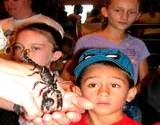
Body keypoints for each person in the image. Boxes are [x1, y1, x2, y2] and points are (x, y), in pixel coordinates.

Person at [0, 22, 94, 125]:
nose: (24, 53)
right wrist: (21, 107)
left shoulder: (63, 85)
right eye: (18, 47)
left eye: (35, 48)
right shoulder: (9, 78)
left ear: (55, 55)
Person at [73, 0, 150, 121]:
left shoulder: (138, 45)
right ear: (105, 11)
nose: (124, 16)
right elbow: (76, 75)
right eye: (118, 10)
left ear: (138, 15)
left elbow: (145, 78)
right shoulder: (85, 42)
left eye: (131, 12)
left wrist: (127, 93)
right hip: (93, 103)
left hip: (129, 104)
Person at [70, 48, 141, 125]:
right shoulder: (65, 121)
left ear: (130, 94)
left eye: (114, 85)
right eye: (93, 85)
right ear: (78, 92)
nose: (103, 92)